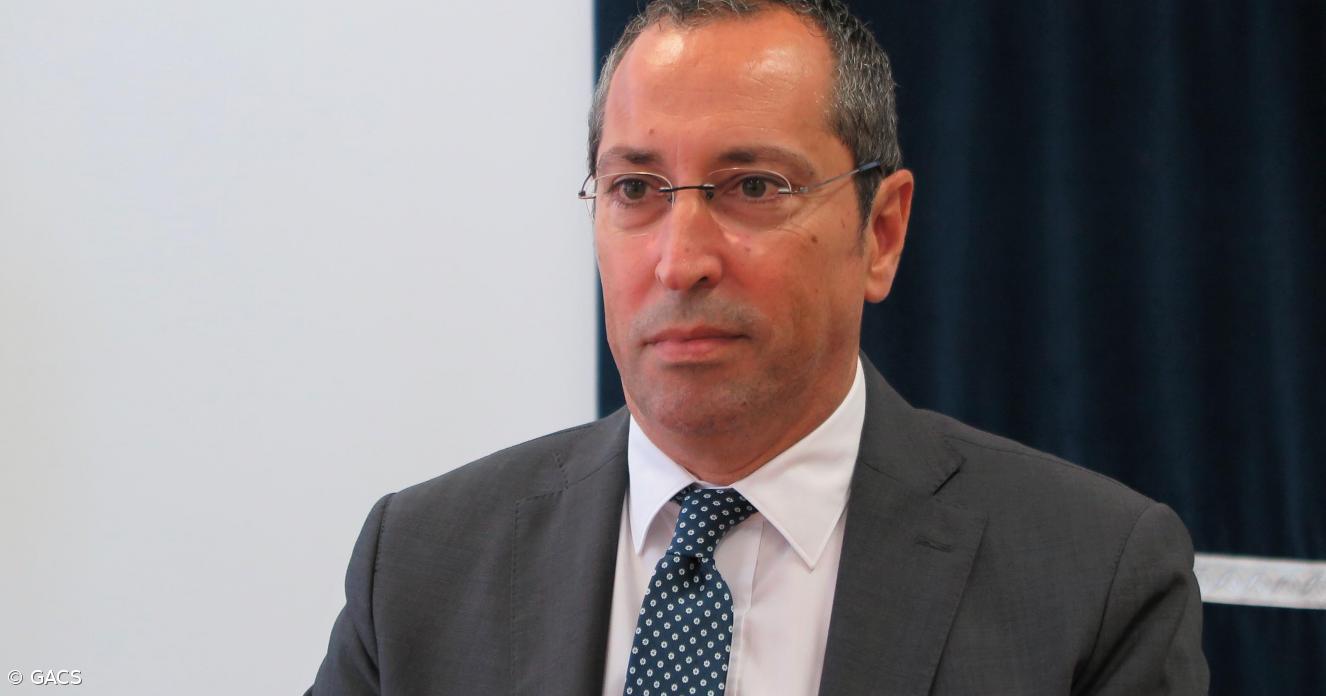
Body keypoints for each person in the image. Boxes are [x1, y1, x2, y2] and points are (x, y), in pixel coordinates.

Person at [307, 1, 1209, 694]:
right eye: (636, 189)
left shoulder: (1093, 580)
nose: (680, 261)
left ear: (882, 232)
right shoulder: (420, 562)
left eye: (752, 186)